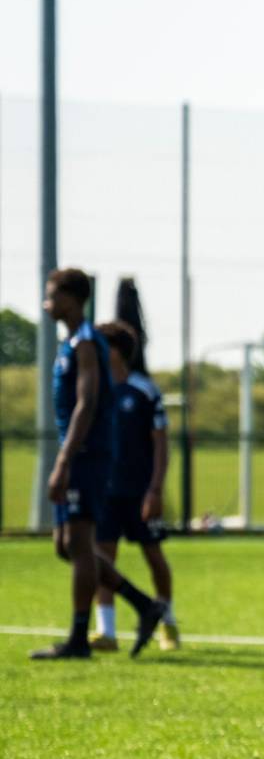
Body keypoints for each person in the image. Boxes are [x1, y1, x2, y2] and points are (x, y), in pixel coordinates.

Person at [31, 269, 167, 660]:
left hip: (87, 456)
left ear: (72, 300)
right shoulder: (72, 341)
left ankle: (78, 638)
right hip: (80, 454)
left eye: (52, 296)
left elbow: (86, 403)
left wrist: (64, 460)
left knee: (79, 544)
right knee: (68, 546)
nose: (47, 304)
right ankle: (143, 604)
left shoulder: (88, 343)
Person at [91, 321, 181, 652]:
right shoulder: (95, 389)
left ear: (114, 350)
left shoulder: (144, 390)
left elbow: (160, 443)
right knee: (103, 557)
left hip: (140, 492)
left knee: (154, 556)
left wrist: (155, 490)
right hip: (105, 492)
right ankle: (107, 630)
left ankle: (168, 623)